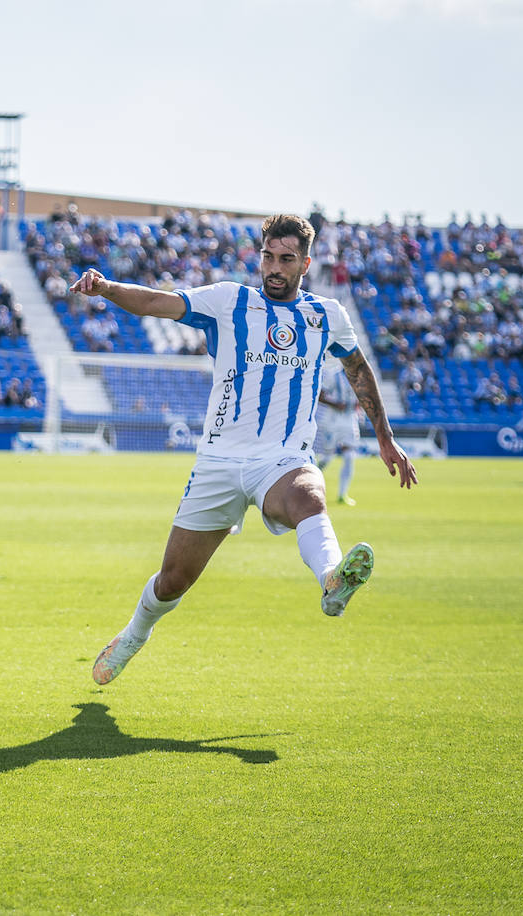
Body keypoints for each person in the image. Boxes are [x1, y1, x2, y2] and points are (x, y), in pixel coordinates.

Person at [69, 214, 418, 685]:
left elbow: (358, 370)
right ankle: (134, 635)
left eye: (286, 259)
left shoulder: (326, 315)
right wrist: (107, 287)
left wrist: (384, 436)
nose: (274, 267)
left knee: (309, 495)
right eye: (269, 257)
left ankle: (332, 579)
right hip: (219, 461)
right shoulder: (229, 300)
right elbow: (157, 301)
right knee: (174, 580)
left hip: (282, 458)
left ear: (305, 263)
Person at [315, 356, 362, 506]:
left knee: (349, 456)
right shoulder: (333, 376)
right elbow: (319, 396)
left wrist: (358, 405)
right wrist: (335, 404)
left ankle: (343, 494)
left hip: (349, 420)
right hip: (332, 421)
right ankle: (308, 481)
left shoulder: (359, 377)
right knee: (327, 457)